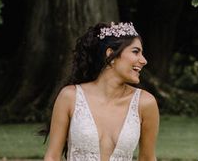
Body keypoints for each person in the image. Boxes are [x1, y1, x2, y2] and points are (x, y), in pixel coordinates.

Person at [44, 21, 159, 161]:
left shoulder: (145, 103)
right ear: (111, 55)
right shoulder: (70, 97)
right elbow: (52, 157)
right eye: (136, 52)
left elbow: (148, 158)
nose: (144, 60)